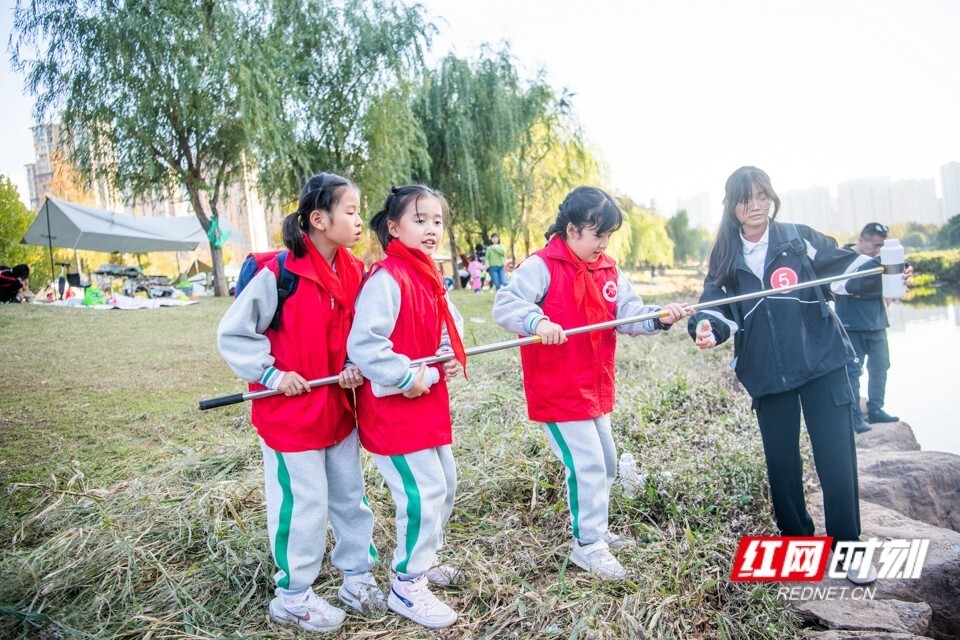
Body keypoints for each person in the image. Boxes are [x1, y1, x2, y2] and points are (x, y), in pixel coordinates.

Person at [689, 167, 910, 586]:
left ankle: (849, 549)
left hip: (822, 363)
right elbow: (716, 306)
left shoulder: (796, 237)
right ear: (732, 206)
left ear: (772, 198)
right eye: (745, 199)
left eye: (762, 196)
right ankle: (799, 545)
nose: (756, 205)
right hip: (768, 373)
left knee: (836, 459)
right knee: (782, 463)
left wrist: (883, 273)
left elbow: (844, 270)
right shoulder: (725, 255)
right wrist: (706, 327)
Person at [492, 186, 689, 581]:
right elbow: (506, 304)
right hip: (559, 390)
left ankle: (597, 529)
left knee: (608, 462)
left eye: (608, 236)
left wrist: (659, 317)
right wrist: (539, 322)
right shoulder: (541, 266)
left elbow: (628, 314)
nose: (603, 243)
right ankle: (588, 544)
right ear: (572, 229)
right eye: (597, 234)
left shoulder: (609, 270)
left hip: (594, 386)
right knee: (586, 465)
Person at [217, 173, 385, 634]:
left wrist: (354, 361)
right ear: (318, 219)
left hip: (338, 409)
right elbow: (234, 334)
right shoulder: (277, 272)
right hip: (288, 415)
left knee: (352, 498)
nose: (358, 221)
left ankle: (356, 576)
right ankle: (292, 596)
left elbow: (362, 333)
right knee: (303, 504)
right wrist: (271, 373)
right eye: (350, 212)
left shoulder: (356, 272)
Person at [347, 184, 466, 630]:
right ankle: (407, 583)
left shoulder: (429, 275)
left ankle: (426, 558)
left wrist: (448, 352)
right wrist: (407, 375)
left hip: (428, 404)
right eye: (420, 220)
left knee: (445, 484)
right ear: (394, 228)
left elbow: (443, 325)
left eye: (437, 221)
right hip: (395, 409)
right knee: (422, 492)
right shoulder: (387, 277)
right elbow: (364, 344)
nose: (432, 229)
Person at [835, 222, 899, 431]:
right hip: (851, 324)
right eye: (874, 245)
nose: (878, 251)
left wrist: (868, 291)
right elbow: (845, 288)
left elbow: (891, 287)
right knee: (853, 371)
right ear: (861, 240)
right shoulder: (843, 256)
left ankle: (876, 409)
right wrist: (874, 290)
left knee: (881, 366)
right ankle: (854, 416)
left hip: (877, 322)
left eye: (881, 246)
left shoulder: (882, 260)